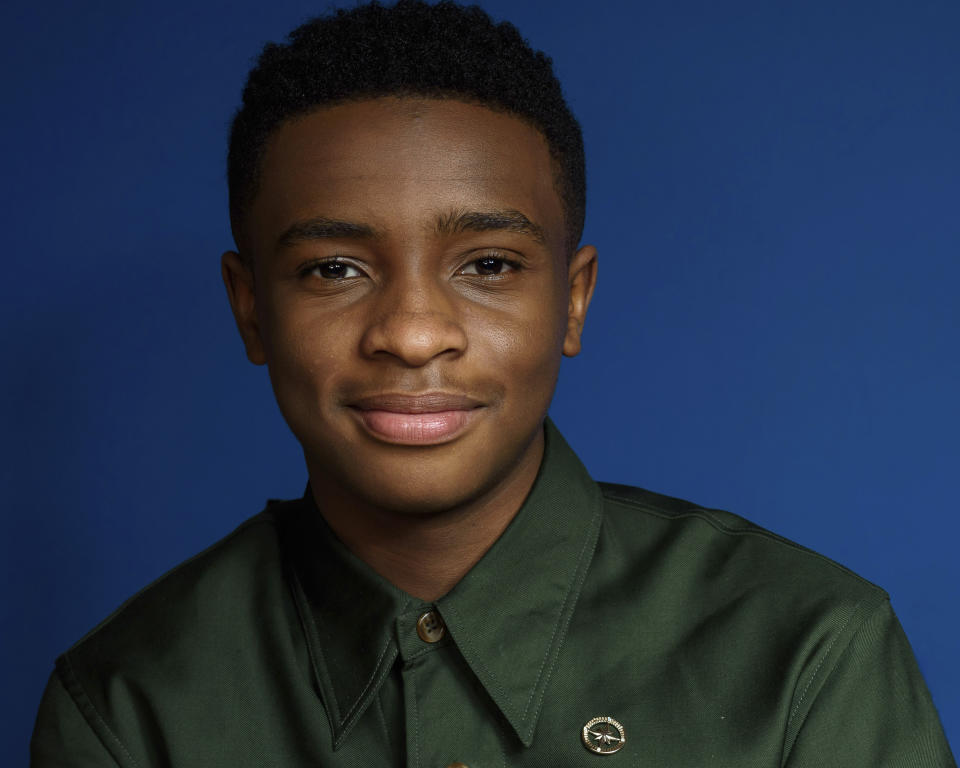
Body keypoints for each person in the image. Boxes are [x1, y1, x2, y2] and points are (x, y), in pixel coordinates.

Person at [30, 1, 955, 765]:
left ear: (574, 300)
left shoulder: (806, 654)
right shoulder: (129, 709)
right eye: (333, 270)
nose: (413, 333)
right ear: (250, 311)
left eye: (489, 265)